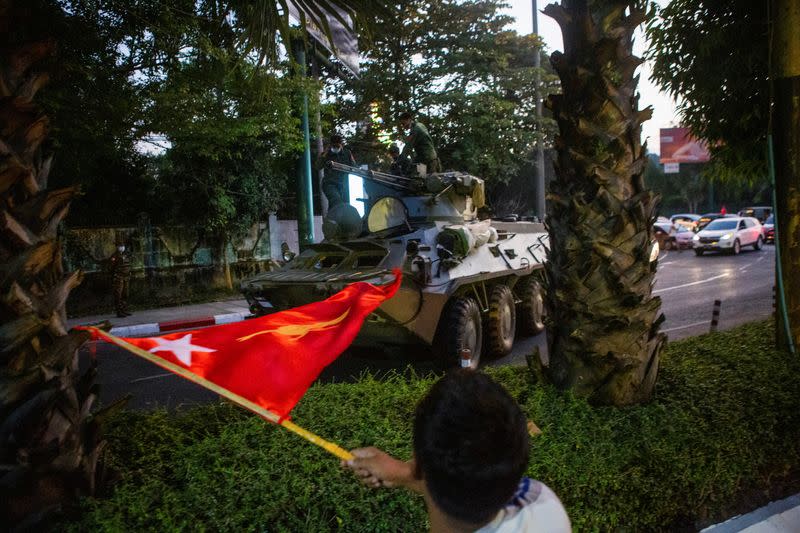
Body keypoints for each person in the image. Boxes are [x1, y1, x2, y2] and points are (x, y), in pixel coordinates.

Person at [343, 370, 571, 533]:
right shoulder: (542, 503)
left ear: (419, 459)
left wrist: (413, 472)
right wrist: (403, 473)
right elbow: (470, 484)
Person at [317, 134, 356, 207]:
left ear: (341, 145)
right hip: (330, 183)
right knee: (336, 200)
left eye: (337, 146)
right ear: (330, 145)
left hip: (344, 184)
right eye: (333, 146)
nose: (335, 148)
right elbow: (318, 166)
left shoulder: (347, 153)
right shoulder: (326, 154)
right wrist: (325, 153)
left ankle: (333, 217)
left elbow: (354, 167)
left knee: (345, 204)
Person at [108, 239, 132, 318]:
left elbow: (129, 265)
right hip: (119, 278)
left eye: (122, 246)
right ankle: (119, 312)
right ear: (117, 247)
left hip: (126, 277)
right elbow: (111, 268)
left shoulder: (126, 255)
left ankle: (124, 310)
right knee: (118, 295)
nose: (122, 247)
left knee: (126, 294)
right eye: (120, 246)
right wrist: (114, 276)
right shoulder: (114, 256)